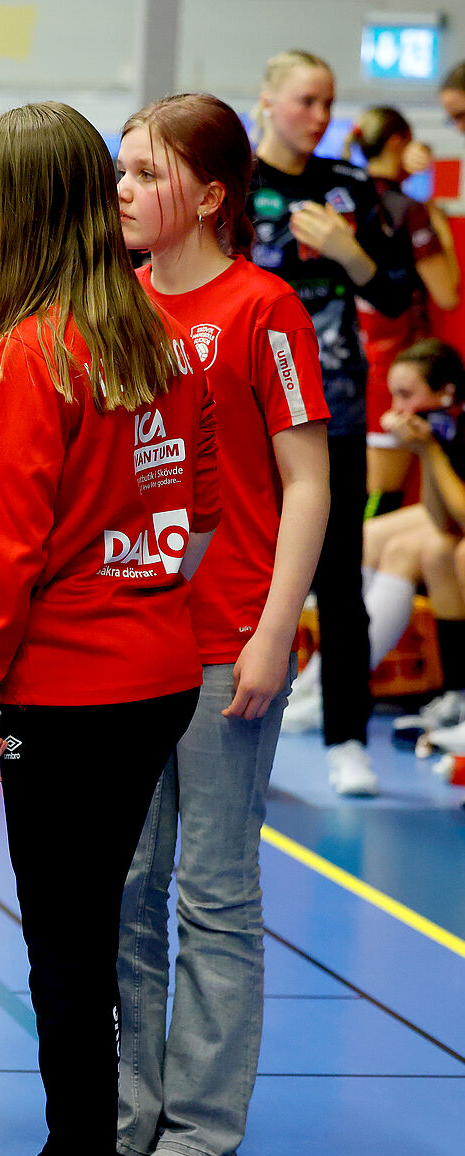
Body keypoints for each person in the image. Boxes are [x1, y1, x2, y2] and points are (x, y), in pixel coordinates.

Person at [0, 102, 218, 1156]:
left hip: (75, 685)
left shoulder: (32, 349)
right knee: (82, 937)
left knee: (64, 946)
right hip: (153, 670)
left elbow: (3, 549)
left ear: (11, 211)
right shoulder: (147, 331)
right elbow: (196, 503)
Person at [113, 93, 330, 1156]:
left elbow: (305, 481)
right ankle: (128, 1106)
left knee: (211, 889)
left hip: (223, 645)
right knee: (124, 883)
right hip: (123, 644)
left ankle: (200, 1120)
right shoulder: (116, 309)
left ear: (205, 195)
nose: (121, 192)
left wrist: (269, 630)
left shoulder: (263, 309)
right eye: (118, 172)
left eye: (142, 174)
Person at [248, 50, 408, 794]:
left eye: (328, 102)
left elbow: (399, 295)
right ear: (268, 100)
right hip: (243, 416)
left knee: (336, 586)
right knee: (240, 576)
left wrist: (350, 254)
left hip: (332, 413)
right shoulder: (235, 186)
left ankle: (348, 737)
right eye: (306, 100)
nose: (319, 117)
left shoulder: (349, 190)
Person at [346, 106, 459, 509]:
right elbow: (446, 293)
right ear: (398, 142)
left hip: (340, 367)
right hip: (393, 369)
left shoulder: (343, 198)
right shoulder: (408, 210)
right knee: (380, 498)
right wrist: (440, 227)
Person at [363, 340, 465, 744]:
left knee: (450, 552)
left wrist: (430, 452)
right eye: (392, 394)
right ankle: (457, 694)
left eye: (406, 395)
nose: (396, 408)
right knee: (435, 549)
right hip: (450, 524)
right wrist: (426, 453)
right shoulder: (442, 425)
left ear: (447, 393)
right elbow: (441, 517)